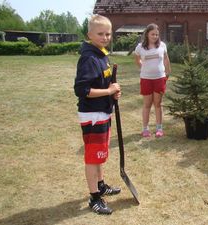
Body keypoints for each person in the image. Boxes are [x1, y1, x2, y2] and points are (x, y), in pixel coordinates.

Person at [74, 14, 121, 215]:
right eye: (100, 34)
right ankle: (94, 197)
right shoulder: (89, 58)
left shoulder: (101, 54)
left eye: (108, 33)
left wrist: (112, 91)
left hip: (102, 111)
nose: (105, 37)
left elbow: (101, 83)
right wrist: (108, 92)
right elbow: (82, 90)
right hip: (92, 115)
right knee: (93, 158)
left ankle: (101, 185)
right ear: (89, 34)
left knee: (99, 155)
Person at [134, 23, 171, 138]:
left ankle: (159, 128)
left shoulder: (162, 46)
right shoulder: (140, 47)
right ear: (147, 34)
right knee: (147, 104)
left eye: (156, 34)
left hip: (159, 78)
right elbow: (137, 59)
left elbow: (165, 58)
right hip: (146, 79)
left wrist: (167, 72)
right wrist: (142, 68)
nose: (155, 36)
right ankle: (145, 129)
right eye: (152, 34)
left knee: (158, 104)